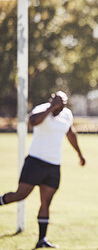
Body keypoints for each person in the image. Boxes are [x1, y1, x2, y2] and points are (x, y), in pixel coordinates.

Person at [0, 91, 86, 249]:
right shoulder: (42, 110)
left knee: (46, 202)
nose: (60, 107)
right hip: (35, 162)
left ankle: (42, 239)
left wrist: (80, 154)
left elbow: (70, 133)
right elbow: (32, 121)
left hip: (53, 165)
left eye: (63, 104)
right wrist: (51, 108)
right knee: (21, 195)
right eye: (57, 102)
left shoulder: (67, 115)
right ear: (51, 100)